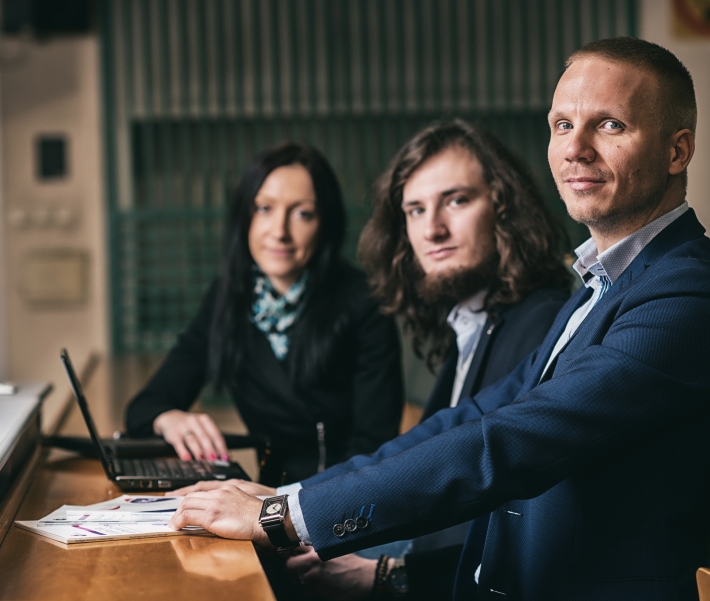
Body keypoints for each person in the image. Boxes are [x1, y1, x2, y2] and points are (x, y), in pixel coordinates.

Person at [169, 38, 710, 600]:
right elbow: (472, 417)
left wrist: (281, 518)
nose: (575, 148)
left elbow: (509, 441)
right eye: (561, 125)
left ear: (677, 150)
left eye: (609, 124)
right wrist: (293, 497)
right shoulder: (602, 284)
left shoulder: (685, 296)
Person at [170, 119, 572, 600]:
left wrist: (385, 571)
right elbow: (430, 450)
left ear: (505, 209)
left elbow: (500, 507)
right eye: (415, 210)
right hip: (378, 528)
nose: (433, 229)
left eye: (457, 200)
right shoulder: (475, 317)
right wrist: (287, 499)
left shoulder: (536, 321)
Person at [125, 143, 404, 486]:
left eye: (302, 213)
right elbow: (142, 409)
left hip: (342, 506)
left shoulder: (364, 303)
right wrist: (169, 419)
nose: (279, 231)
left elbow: (375, 450)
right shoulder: (228, 298)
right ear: (244, 216)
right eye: (264, 209)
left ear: (325, 224)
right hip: (265, 500)